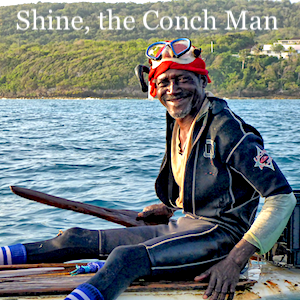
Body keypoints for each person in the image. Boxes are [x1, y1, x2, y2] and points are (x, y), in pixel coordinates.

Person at [1, 38, 296, 300]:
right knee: (73, 238)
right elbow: (207, 179)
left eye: (183, 79)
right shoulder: (180, 122)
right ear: (154, 88)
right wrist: (172, 205)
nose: (173, 89)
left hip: (222, 239)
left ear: (203, 82)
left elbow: (282, 197)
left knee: (125, 260)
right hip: (187, 225)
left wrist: (234, 261)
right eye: (165, 82)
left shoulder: (227, 129)